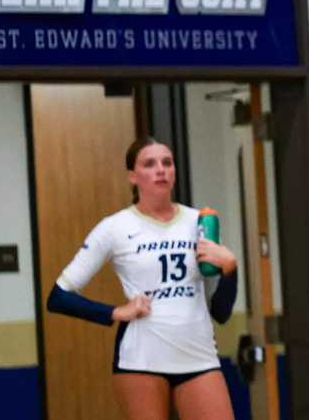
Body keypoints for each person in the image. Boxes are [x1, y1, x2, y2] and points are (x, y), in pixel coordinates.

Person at [46, 137, 239, 420]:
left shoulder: (199, 222)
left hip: (198, 357)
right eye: (150, 164)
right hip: (141, 360)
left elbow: (220, 312)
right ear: (132, 176)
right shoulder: (115, 227)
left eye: (167, 163)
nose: (161, 170)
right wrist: (115, 312)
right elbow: (58, 297)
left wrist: (230, 269)